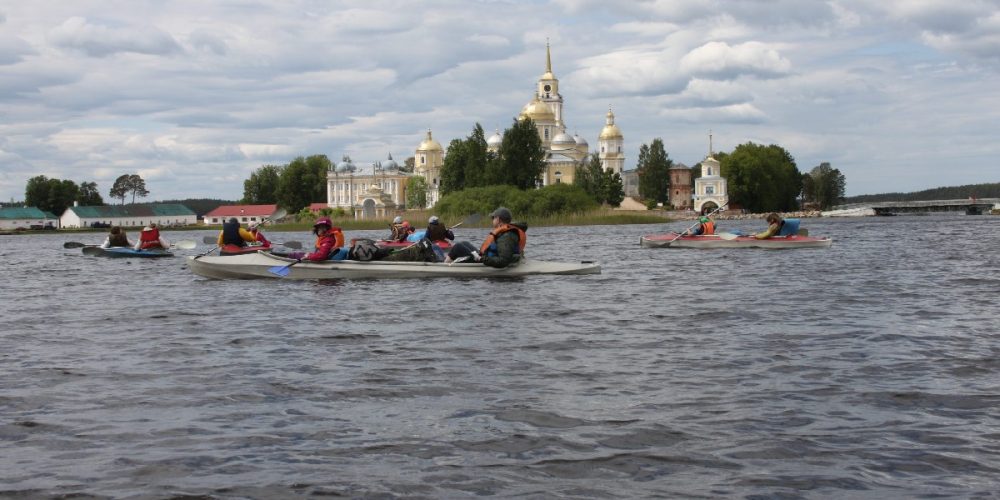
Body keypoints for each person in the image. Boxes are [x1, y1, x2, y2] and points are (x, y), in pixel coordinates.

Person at [446, 207, 526, 268]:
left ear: (498, 219)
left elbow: (503, 261)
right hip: (488, 258)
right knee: (464, 243)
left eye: (493, 218)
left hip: (486, 261)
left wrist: (481, 259)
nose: (492, 220)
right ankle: (446, 262)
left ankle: (443, 266)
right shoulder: (506, 232)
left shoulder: (506, 236)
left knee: (458, 246)